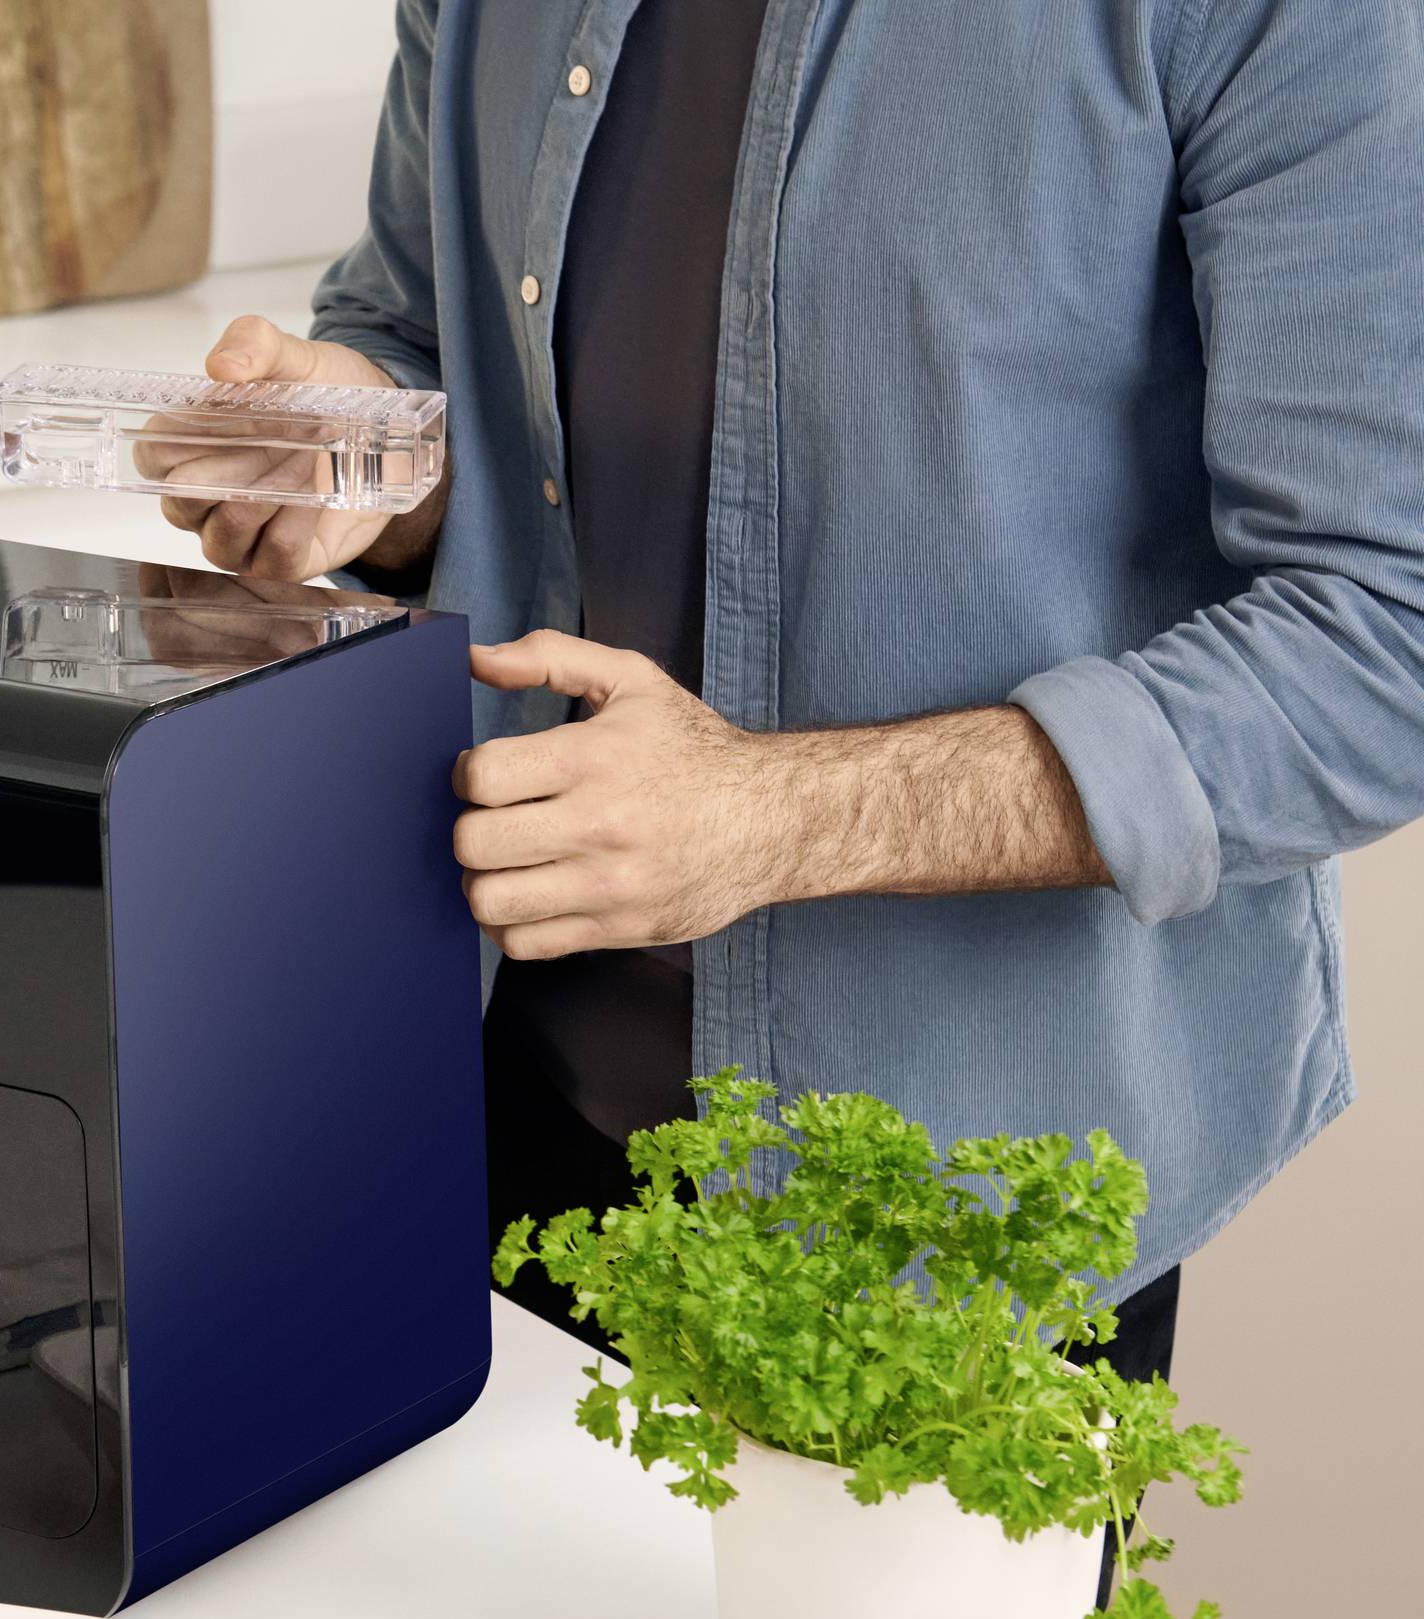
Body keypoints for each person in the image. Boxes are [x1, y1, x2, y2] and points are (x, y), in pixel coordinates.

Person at [167, 0, 1424, 1397]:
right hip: (472, 1117)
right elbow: (421, 333)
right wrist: (363, 457)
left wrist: (774, 818)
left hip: (956, 1229)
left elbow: (1385, 631)